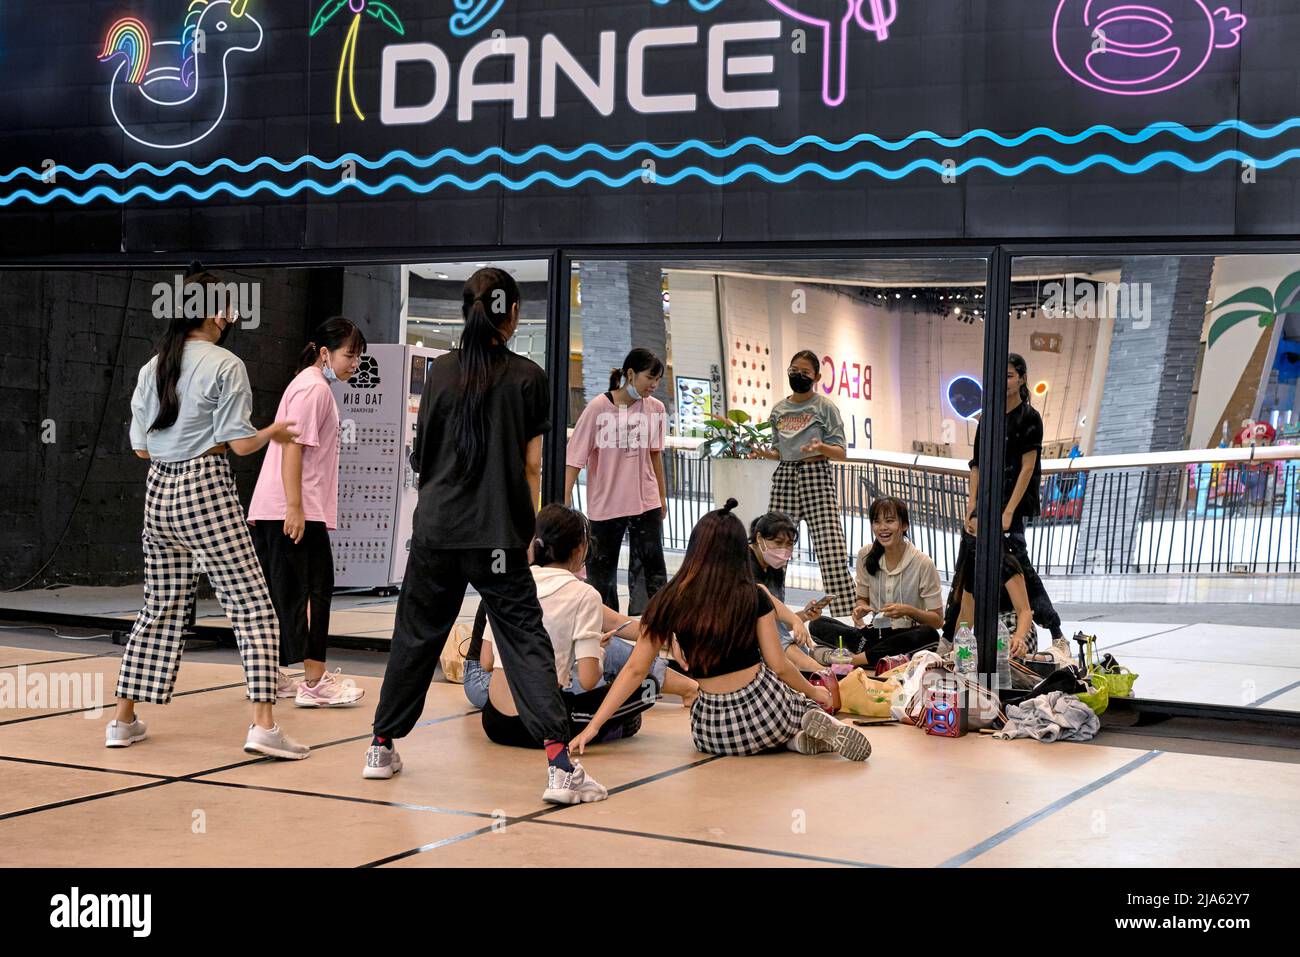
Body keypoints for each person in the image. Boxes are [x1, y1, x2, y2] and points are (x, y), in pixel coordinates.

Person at [364, 267, 607, 805]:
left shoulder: (442, 374)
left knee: (416, 637)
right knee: (525, 642)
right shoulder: (527, 377)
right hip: (497, 540)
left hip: (435, 534)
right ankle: (561, 769)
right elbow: (531, 467)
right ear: (513, 313)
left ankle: (381, 745)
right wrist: (528, 529)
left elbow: (422, 458)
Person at [110, 265, 309, 760]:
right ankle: (263, 726)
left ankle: (122, 720)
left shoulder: (151, 367)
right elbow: (241, 445)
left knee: (159, 609)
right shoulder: (226, 365)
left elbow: (140, 450)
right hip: (206, 490)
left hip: (159, 493)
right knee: (252, 607)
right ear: (218, 313)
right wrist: (275, 432)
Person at [570, 499, 871, 761]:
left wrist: (594, 726)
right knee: (797, 703)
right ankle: (804, 722)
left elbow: (635, 669)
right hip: (768, 711)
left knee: (738, 728)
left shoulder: (668, 599)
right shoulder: (753, 595)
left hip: (713, 731)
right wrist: (814, 691)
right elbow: (779, 665)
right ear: (740, 550)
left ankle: (797, 740)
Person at [248, 317, 366, 708]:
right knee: (318, 591)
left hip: (278, 506)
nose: (354, 363)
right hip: (295, 507)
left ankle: (269, 677)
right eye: (350, 354)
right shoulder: (314, 390)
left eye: (359, 356)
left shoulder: (305, 385)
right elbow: (293, 448)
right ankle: (314, 684)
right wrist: (295, 507)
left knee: (279, 595)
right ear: (324, 353)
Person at [479, 504, 665, 747]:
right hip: (543, 725)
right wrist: (597, 649)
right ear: (580, 550)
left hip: (494, 721)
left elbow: (486, 662)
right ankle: (609, 728)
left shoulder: (508, 585)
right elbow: (589, 679)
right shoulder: (583, 594)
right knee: (646, 685)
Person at [966, 353, 1066, 654]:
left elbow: (1028, 468)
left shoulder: (1029, 418)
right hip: (985, 506)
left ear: (1021, 378)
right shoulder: (989, 419)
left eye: (1009, 375)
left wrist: (1009, 511)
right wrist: (971, 506)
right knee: (970, 565)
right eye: (999, 375)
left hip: (1013, 507)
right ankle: (953, 633)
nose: (1003, 381)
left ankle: (1055, 630)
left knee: (1018, 566)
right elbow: (976, 466)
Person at [564, 348, 669, 615]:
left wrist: (661, 497)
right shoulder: (598, 408)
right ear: (630, 374)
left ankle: (653, 626)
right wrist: (565, 502)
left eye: (658, 380)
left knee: (652, 570)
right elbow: (574, 459)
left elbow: (655, 456)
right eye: (650, 378)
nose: (654, 386)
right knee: (601, 573)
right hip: (607, 503)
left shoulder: (655, 409)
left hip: (646, 501)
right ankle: (605, 630)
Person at [753, 351, 855, 616]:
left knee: (830, 544)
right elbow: (779, 450)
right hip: (786, 475)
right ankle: (770, 609)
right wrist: (764, 453)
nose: (798, 375)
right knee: (775, 545)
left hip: (816, 475)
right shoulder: (779, 409)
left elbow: (841, 451)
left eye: (805, 372)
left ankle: (844, 613)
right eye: (793, 370)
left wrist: (820, 446)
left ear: (817, 377)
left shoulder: (825, 407)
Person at [809, 497, 944, 669]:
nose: (882, 528)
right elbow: (862, 600)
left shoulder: (923, 563)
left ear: (904, 525)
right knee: (817, 624)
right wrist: (860, 609)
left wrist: (908, 610)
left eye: (889, 521)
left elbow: (938, 621)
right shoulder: (865, 555)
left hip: (906, 635)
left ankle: (850, 660)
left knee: (929, 635)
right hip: (872, 635)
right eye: (877, 522)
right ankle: (876, 659)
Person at [746, 511, 832, 672]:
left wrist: (803, 616)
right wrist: (794, 620)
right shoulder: (743, 562)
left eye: (789, 544)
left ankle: (812, 667)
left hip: (767, 639)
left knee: (820, 626)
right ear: (759, 539)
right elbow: (765, 603)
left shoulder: (774, 567)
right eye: (778, 543)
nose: (785, 550)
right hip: (741, 636)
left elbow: (778, 621)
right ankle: (819, 671)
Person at [942, 532, 1038, 660]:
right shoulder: (972, 568)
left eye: (975, 532)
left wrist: (1019, 637)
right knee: (974, 661)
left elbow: (1024, 611)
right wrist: (955, 648)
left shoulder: (1006, 564)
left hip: (1015, 627)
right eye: (969, 531)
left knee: (999, 659)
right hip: (986, 632)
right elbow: (966, 616)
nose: (972, 538)